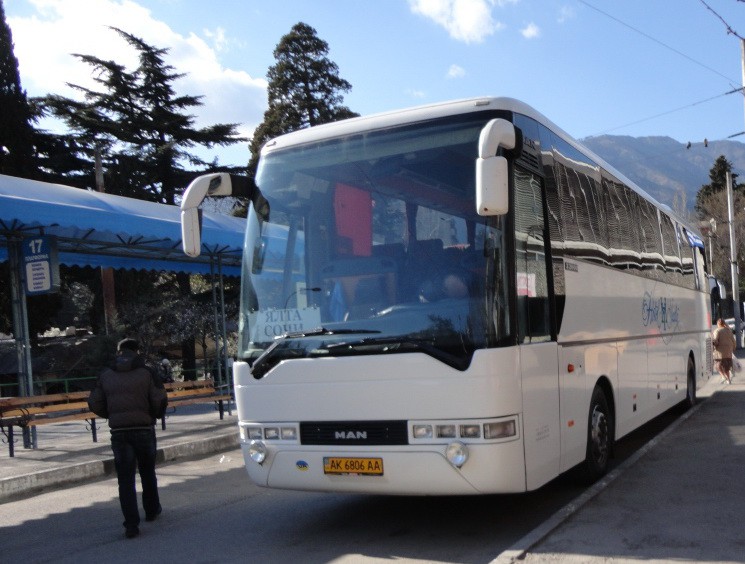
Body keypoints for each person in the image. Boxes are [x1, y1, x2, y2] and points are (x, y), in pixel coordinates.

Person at [88, 338, 168, 539]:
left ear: (119, 351)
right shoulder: (147, 372)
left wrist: (112, 414)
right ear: (137, 351)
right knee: (147, 472)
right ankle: (152, 510)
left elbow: (94, 402)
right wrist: (153, 415)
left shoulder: (106, 374)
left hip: (119, 432)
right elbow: (160, 399)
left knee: (125, 479)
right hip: (144, 429)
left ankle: (131, 525)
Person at [712, 318, 736, 384]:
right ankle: (728, 380)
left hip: (720, 352)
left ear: (718, 324)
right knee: (726, 367)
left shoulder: (717, 331)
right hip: (728, 351)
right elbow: (733, 341)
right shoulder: (729, 330)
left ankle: (724, 377)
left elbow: (716, 341)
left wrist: (713, 343)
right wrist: (733, 348)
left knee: (717, 365)